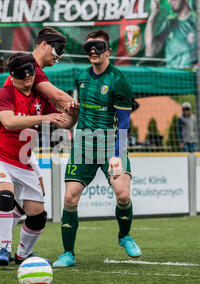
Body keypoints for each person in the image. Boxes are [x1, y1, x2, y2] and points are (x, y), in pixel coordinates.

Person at [0, 27, 79, 266]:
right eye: (22, 76)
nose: (28, 78)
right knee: (6, 197)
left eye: (30, 75)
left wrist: (74, 113)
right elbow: (10, 122)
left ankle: (20, 254)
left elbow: (65, 121)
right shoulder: (9, 89)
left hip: (23, 159)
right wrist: (51, 114)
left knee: (37, 214)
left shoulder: (37, 93)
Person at [52, 30, 142, 268]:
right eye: (88, 47)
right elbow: (78, 110)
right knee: (70, 197)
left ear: (108, 51)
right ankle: (68, 254)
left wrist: (116, 154)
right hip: (83, 142)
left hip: (111, 142)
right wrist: (71, 111)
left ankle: (124, 236)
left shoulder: (119, 81)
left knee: (122, 193)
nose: (93, 51)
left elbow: (124, 122)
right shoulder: (80, 77)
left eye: (98, 47)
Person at [144, 0, 198, 68]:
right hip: (172, 76)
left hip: (191, 76)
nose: (170, 1)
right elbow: (150, 52)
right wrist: (152, 15)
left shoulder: (197, 21)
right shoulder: (169, 23)